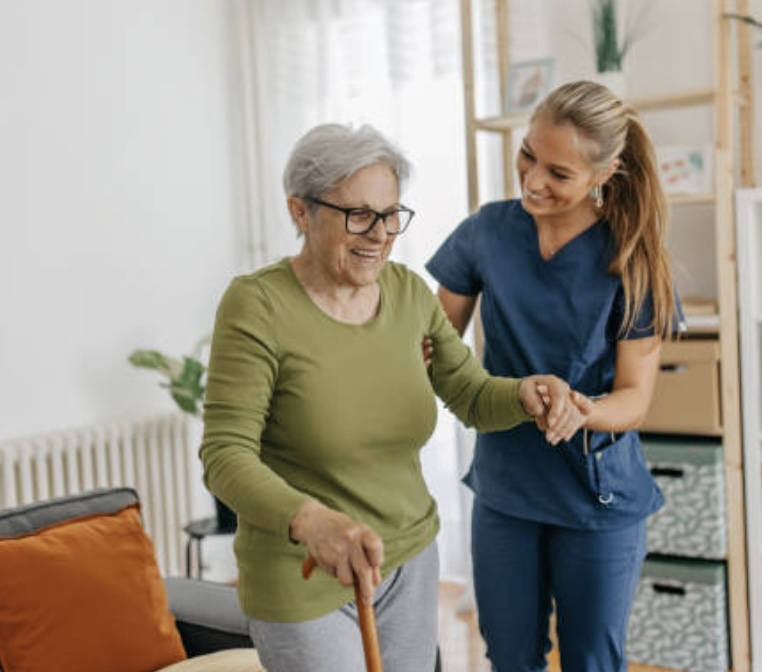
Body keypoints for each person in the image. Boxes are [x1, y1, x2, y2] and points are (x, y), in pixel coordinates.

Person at [199, 122, 585, 672]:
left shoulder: (407, 293)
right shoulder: (257, 305)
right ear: (300, 212)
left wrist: (526, 392)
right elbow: (225, 454)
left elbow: (471, 394)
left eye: (390, 215)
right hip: (304, 569)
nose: (379, 234)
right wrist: (310, 521)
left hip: (409, 559)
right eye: (358, 214)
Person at [425, 80, 682, 672]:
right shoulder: (486, 233)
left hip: (596, 495)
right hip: (506, 487)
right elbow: (433, 345)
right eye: (528, 155)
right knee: (510, 658)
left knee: (592, 661)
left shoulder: (631, 257)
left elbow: (634, 398)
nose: (533, 180)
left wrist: (583, 410)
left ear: (604, 173)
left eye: (559, 173)